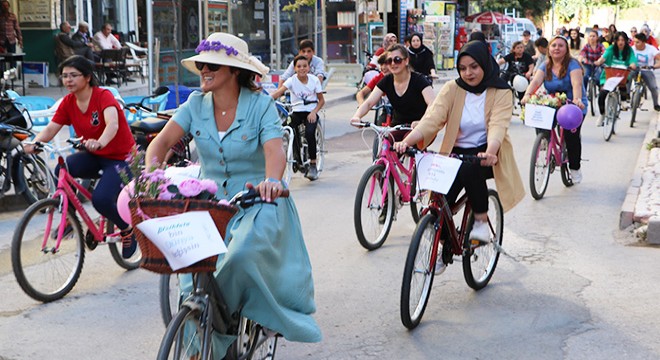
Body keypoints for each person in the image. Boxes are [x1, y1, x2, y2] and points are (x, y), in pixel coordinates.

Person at [145, 32, 321, 357]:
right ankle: (201, 340)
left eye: (212, 65)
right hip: (210, 205)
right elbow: (160, 142)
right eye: (201, 64)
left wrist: (271, 180)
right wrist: (150, 177)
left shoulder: (261, 105)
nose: (203, 70)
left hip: (257, 200)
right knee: (193, 271)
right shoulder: (195, 104)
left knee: (239, 257)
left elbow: (275, 150)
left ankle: (248, 320)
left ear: (234, 71)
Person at [392, 40, 524, 273]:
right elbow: (432, 119)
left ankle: (481, 221)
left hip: (485, 154)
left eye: (473, 66)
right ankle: (444, 245)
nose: (468, 73)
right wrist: (406, 141)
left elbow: (498, 125)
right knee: (439, 202)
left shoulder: (501, 90)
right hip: (454, 154)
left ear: (484, 63)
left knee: (469, 170)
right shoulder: (453, 88)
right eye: (462, 68)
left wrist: (490, 151)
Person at [23, 55, 137, 258]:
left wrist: (100, 142)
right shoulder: (68, 102)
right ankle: (70, 217)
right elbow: (51, 128)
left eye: (73, 75)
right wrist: (34, 143)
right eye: (64, 76)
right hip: (94, 155)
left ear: (87, 77)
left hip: (121, 158)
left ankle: (127, 230)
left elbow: (113, 124)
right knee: (63, 169)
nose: (68, 80)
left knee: (101, 200)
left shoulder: (103, 96)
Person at [523, 35, 588, 183]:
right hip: (553, 102)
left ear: (566, 49)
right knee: (540, 118)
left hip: (573, 105)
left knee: (572, 137)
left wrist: (577, 100)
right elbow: (536, 81)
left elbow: (576, 84)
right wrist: (527, 94)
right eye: (554, 45)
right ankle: (545, 142)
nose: (557, 48)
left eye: (560, 45)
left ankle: (575, 168)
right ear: (549, 49)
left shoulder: (573, 64)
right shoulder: (545, 65)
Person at [350, 44, 435, 130]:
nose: (393, 64)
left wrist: (422, 121)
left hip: (420, 128)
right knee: (385, 140)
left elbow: (432, 104)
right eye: (389, 61)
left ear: (406, 61)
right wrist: (357, 116)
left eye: (397, 60)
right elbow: (369, 103)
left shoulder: (419, 80)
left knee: (405, 142)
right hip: (397, 126)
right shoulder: (386, 81)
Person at [270, 55, 325, 180]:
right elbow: (279, 92)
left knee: (310, 133)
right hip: (297, 112)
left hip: (310, 112)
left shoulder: (314, 80)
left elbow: (321, 101)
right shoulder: (291, 80)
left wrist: (314, 112)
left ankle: (312, 164)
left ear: (309, 68)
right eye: (299, 66)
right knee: (286, 129)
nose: (302, 69)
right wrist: (265, 99)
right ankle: (296, 157)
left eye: (304, 66)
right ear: (294, 68)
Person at [594, 31, 638, 125]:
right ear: (615, 41)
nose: (620, 42)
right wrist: (598, 62)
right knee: (602, 94)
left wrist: (632, 64)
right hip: (608, 76)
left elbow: (632, 60)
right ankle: (602, 114)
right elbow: (603, 58)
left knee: (624, 83)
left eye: (622, 40)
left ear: (626, 41)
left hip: (622, 75)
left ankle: (623, 100)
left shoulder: (629, 50)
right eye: (618, 40)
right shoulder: (611, 49)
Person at [630, 33, 660, 112]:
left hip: (647, 70)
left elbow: (659, 59)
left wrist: (654, 66)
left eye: (637, 42)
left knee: (653, 87)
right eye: (634, 42)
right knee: (627, 77)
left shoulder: (651, 49)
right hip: (635, 69)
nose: (635, 44)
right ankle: (626, 95)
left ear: (644, 42)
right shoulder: (632, 49)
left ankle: (656, 104)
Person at [0, 0, 21, 67]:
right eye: (3, 6)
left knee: (12, 58)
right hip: (1, 41)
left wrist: (20, 40)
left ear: (8, 6)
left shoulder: (12, 16)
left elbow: (17, 28)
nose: (5, 7)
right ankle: (2, 75)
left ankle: (13, 74)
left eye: (6, 6)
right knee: (1, 59)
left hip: (11, 40)